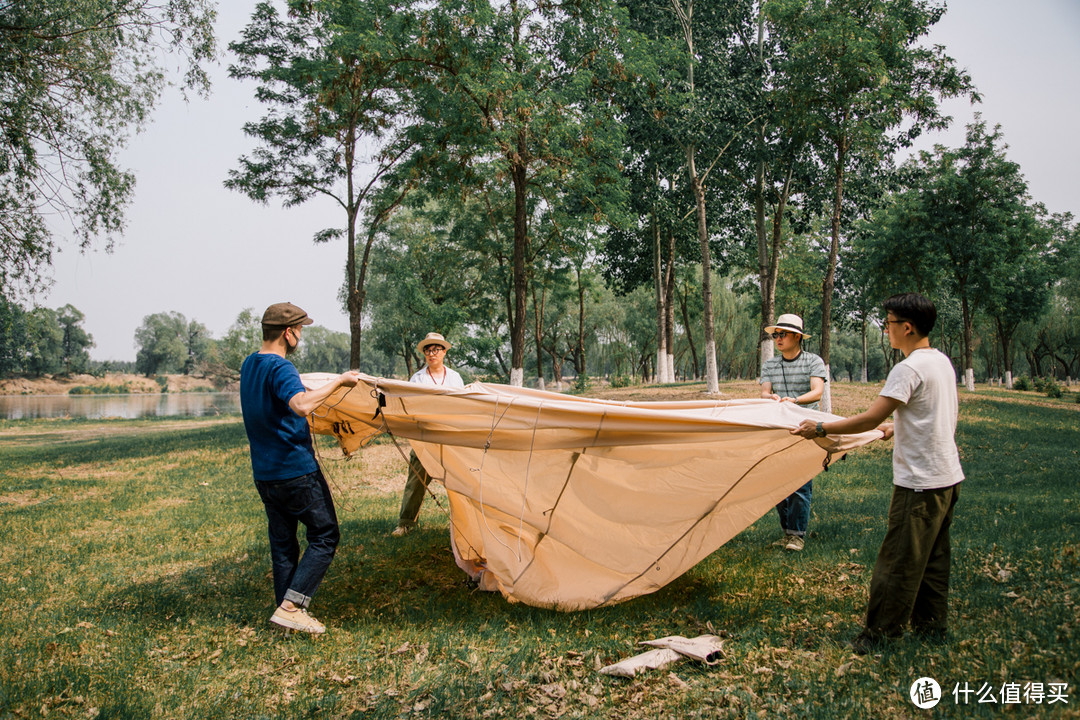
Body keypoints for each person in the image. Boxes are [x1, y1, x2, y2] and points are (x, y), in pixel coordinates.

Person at [792, 293, 964, 654]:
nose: (885, 329)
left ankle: (880, 636)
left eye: (888, 323)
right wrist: (894, 430)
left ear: (907, 327)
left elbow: (872, 416)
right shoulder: (941, 362)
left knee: (898, 562)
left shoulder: (909, 368)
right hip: (947, 478)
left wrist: (822, 429)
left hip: (919, 483)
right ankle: (932, 627)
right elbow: (930, 414)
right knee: (932, 559)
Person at [240, 302, 361, 634]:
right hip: (295, 471)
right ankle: (293, 605)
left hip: (265, 475)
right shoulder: (281, 369)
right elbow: (300, 405)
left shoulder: (250, 364)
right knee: (325, 535)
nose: (301, 336)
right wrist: (339, 382)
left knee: (284, 544)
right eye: (300, 330)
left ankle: (283, 614)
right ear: (288, 333)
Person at [759, 313, 827, 551]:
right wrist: (772, 397)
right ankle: (788, 532)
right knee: (778, 482)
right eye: (775, 334)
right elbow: (764, 393)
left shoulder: (813, 361)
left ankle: (797, 535)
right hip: (778, 427)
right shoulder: (770, 364)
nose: (778, 339)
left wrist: (795, 400)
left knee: (800, 482)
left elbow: (817, 392)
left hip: (806, 426)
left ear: (797, 337)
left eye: (782, 334)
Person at [391, 332, 465, 538]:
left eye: (436, 349)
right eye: (428, 350)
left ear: (444, 352)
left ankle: (464, 523)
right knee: (415, 481)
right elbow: (411, 406)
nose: (432, 354)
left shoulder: (454, 378)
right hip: (423, 436)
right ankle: (405, 523)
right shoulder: (418, 378)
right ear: (424, 353)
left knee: (460, 481)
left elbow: (462, 406)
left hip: (449, 436)